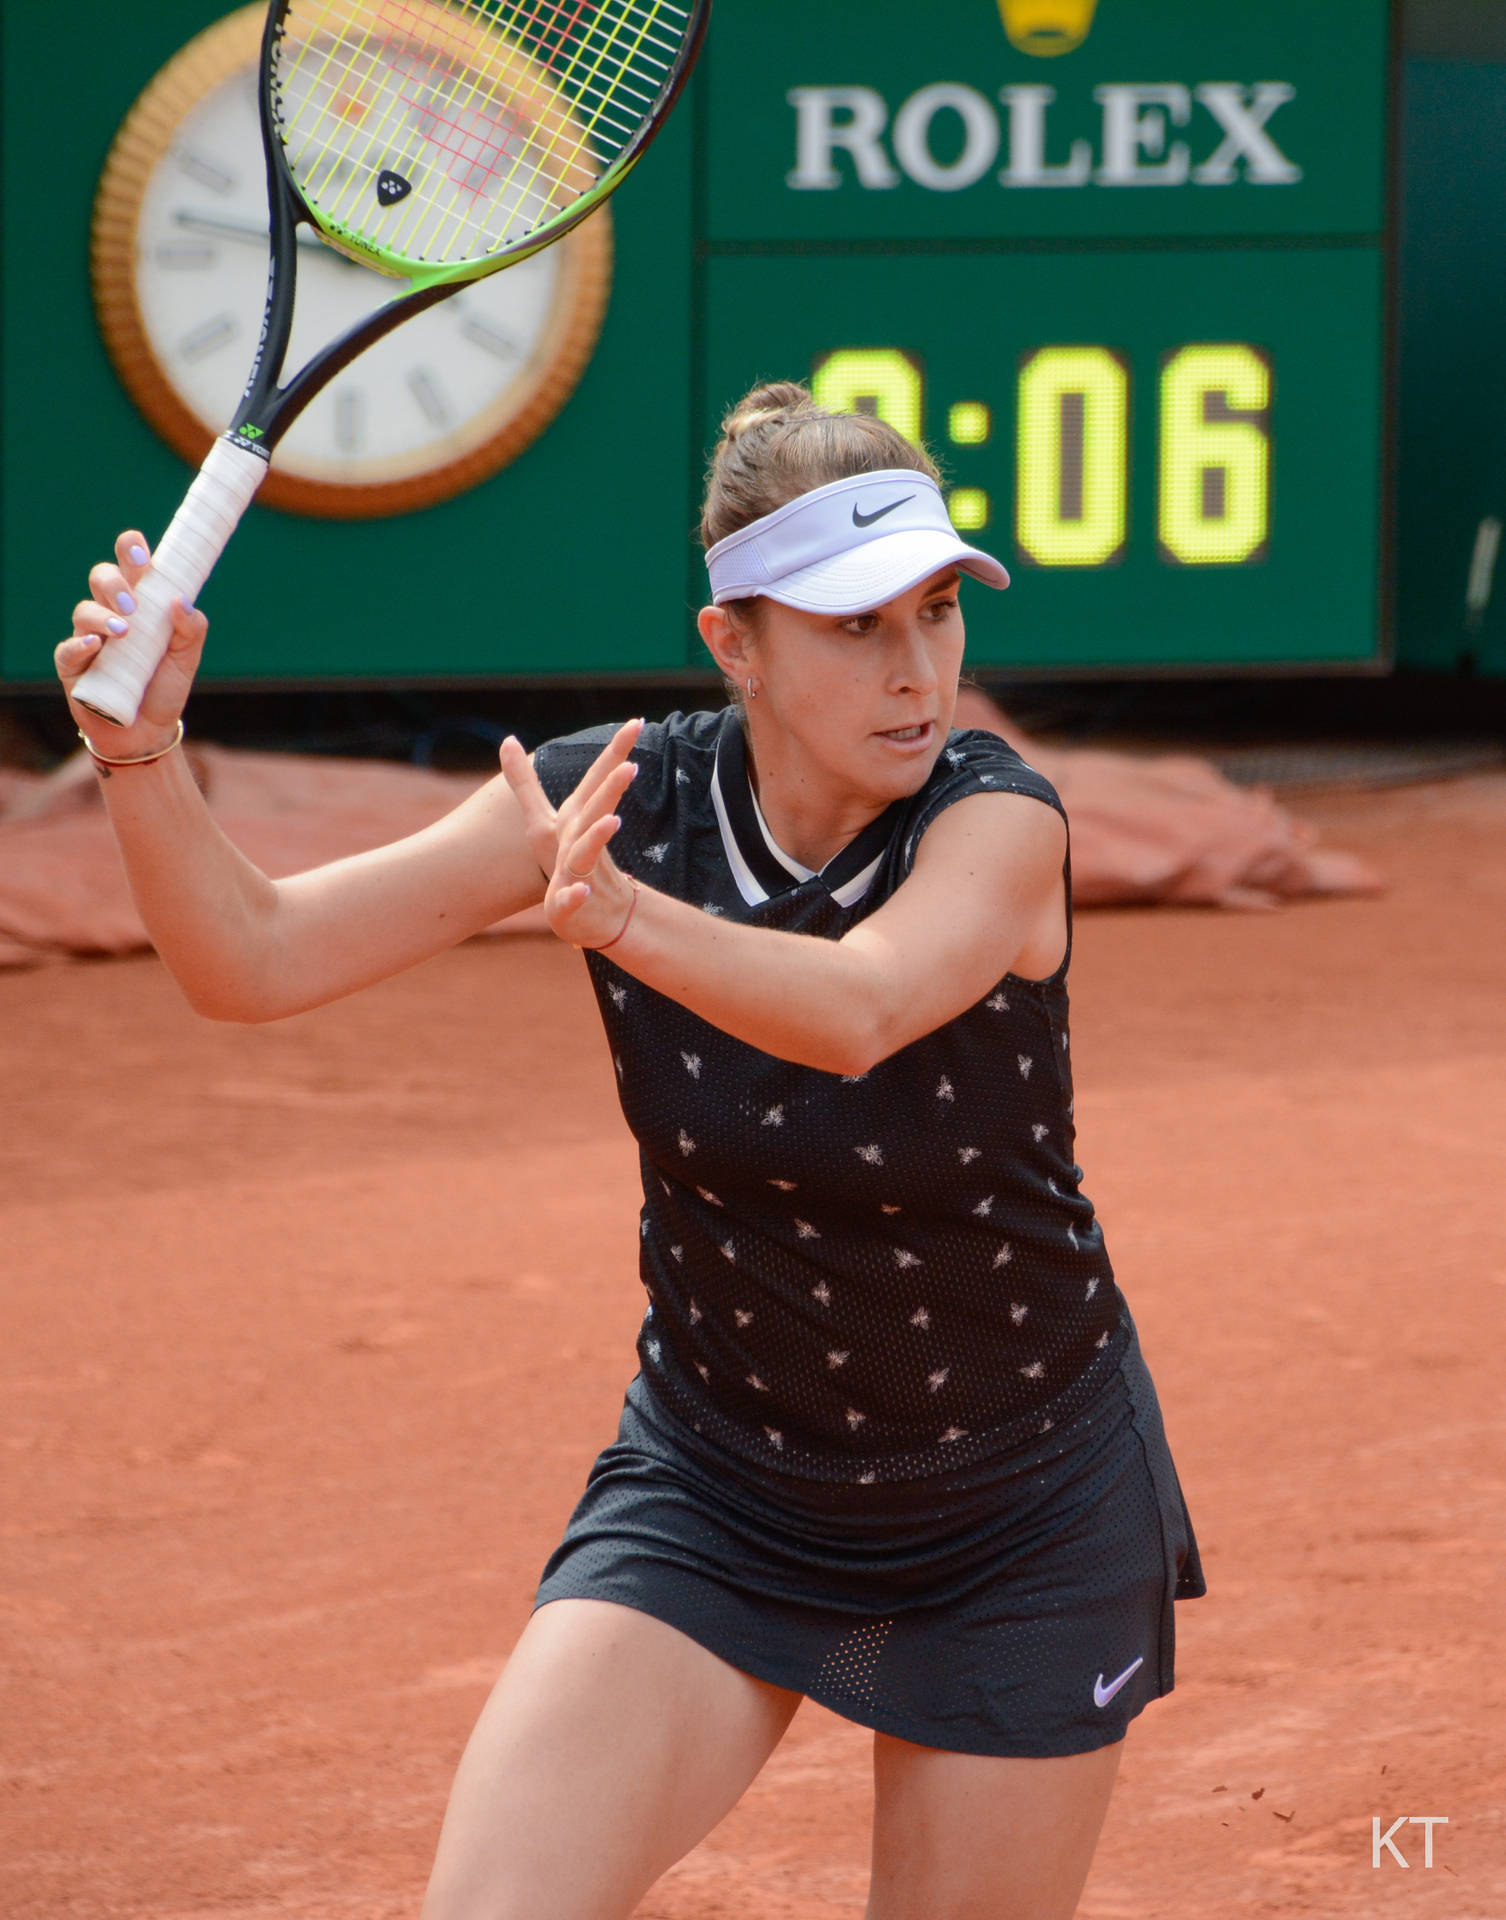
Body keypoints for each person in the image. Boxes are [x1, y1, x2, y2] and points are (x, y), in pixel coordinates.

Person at [56, 380, 1206, 1920]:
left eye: (937, 613)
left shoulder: (998, 823)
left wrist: (617, 917)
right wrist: (143, 759)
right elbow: (252, 960)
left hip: (1020, 1508)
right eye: (855, 626)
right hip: (724, 1490)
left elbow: (860, 1007)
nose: (918, 671)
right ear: (732, 642)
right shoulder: (616, 796)